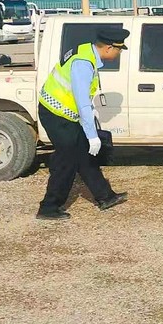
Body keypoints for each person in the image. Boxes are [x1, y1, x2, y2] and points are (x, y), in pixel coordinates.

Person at [36, 28, 131, 220]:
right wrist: (92, 135)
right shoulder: (83, 63)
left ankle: (105, 196)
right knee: (67, 161)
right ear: (108, 48)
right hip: (56, 115)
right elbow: (82, 104)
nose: (119, 54)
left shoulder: (87, 51)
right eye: (118, 50)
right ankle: (49, 208)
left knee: (84, 155)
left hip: (64, 114)